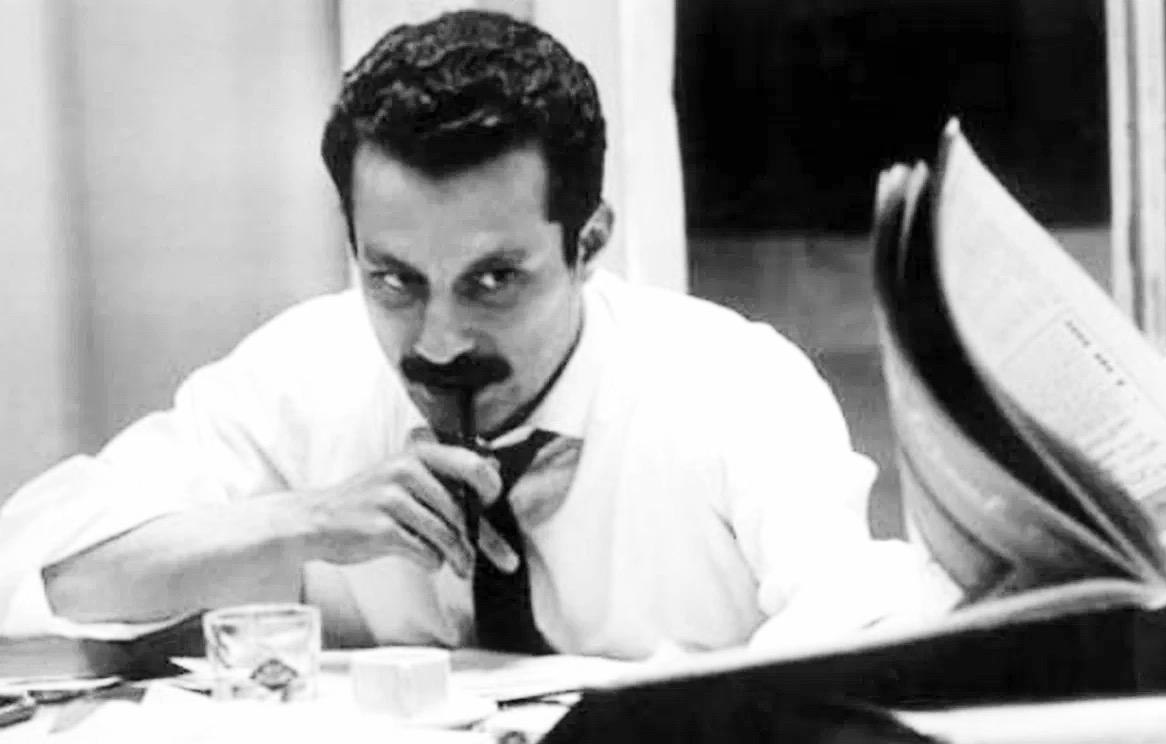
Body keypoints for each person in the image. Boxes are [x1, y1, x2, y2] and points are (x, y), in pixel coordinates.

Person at [0, 10, 945, 658]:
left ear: (589, 244)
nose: (441, 340)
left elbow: (858, 622)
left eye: (494, 281)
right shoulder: (306, 371)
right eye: (395, 281)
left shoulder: (731, 383)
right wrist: (305, 521)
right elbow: (31, 575)